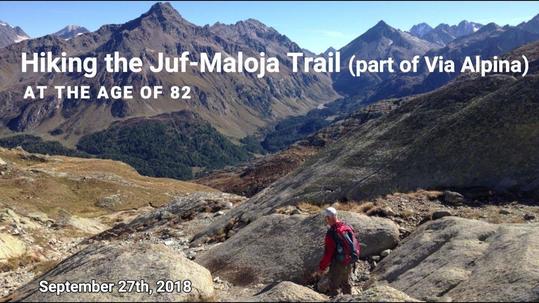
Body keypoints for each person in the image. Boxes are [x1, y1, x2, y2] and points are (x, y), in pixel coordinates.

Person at [315, 207, 360, 296]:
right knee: (346, 283)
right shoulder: (347, 226)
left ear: (328, 218)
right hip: (349, 260)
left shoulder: (331, 233)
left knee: (333, 286)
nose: (326, 220)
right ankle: (349, 299)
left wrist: (321, 267)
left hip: (338, 263)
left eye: (326, 218)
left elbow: (328, 253)